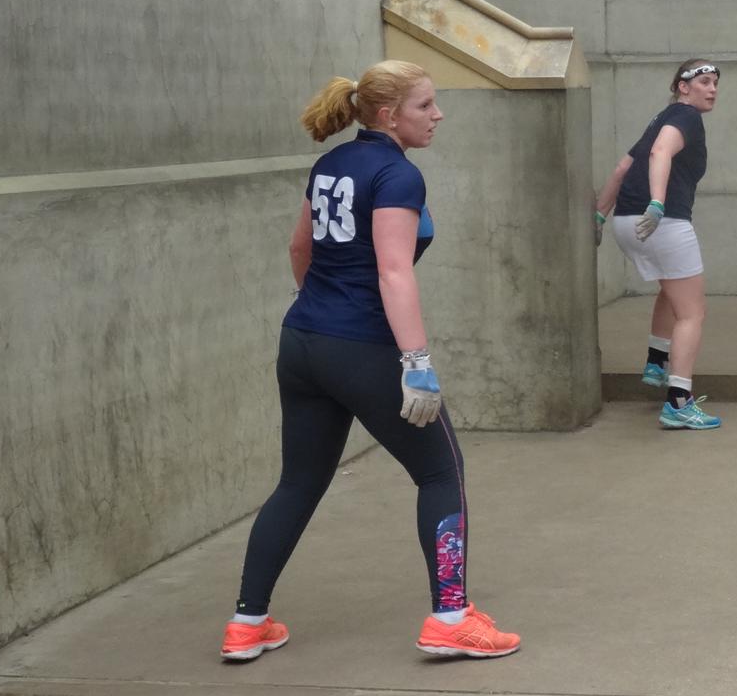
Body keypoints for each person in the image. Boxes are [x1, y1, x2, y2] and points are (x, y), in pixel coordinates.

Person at [221, 60, 520, 663]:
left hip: (303, 342)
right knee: (442, 473)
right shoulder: (396, 175)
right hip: (363, 348)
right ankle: (451, 618)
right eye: (425, 106)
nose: (437, 115)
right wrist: (416, 361)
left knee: (299, 480)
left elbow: (299, 247)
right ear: (389, 115)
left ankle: (247, 623)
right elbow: (393, 270)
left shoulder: (330, 164)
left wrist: (320, 308)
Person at [594, 58, 722, 430]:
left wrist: (600, 216)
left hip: (624, 221)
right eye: (705, 82)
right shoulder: (686, 118)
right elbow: (660, 153)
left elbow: (622, 168)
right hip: (660, 222)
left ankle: (656, 361)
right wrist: (657, 202)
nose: (712, 89)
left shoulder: (660, 118)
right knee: (693, 313)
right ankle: (679, 402)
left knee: (672, 289)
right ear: (683, 86)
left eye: (716, 83)